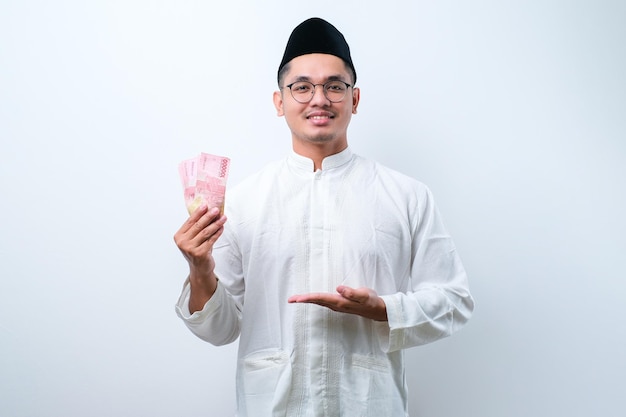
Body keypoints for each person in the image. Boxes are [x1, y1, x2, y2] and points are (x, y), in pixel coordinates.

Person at [174, 17, 474, 417]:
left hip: (368, 405)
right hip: (273, 406)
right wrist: (200, 269)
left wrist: (385, 309)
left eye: (334, 86)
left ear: (355, 99)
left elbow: (455, 300)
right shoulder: (243, 202)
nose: (319, 99)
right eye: (302, 87)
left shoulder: (406, 196)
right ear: (279, 102)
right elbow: (219, 329)